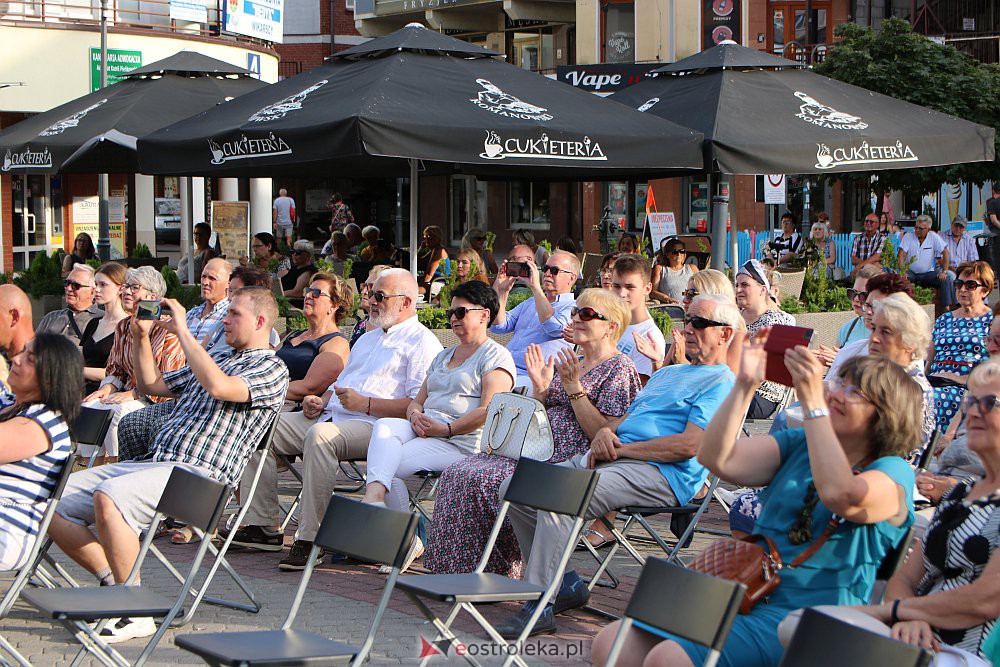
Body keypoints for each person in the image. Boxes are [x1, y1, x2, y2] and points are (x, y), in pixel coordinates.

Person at [593, 349, 921, 667]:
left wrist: (813, 405)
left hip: (810, 615)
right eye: (839, 382)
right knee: (611, 645)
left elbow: (841, 495)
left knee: (671, 659)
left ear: (885, 414)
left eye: (854, 391)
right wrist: (744, 386)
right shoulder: (801, 443)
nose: (836, 393)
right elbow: (717, 459)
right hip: (743, 588)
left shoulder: (893, 472)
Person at [49, 287, 288, 643]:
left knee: (112, 495)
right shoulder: (216, 360)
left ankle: (135, 611)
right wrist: (141, 338)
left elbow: (220, 388)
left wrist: (185, 334)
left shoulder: (271, 368)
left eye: (233, 313)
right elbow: (150, 383)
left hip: (201, 480)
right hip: (156, 465)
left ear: (260, 321)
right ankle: (117, 585)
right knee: (51, 496)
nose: (225, 318)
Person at [497, 294, 742, 638]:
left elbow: (691, 446)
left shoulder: (723, 382)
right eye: (687, 320)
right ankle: (564, 582)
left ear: (725, 334)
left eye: (698, 323)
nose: (687, 329)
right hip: (617, 459)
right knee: (516, 488)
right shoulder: (666, 374)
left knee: (561, 499)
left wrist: (624, 447)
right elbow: (626, 420)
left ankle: (538, 602)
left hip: (661, 472)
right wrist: (605, 435)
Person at [230, 269, 442, 570]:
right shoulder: (368, 339)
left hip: (378, 427)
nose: (371, 302)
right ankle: (261, 525)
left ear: (406, 302)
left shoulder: (422, 343)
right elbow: (339, 384)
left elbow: (417, 405)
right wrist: (320, 400)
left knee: (320, 438)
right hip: (334, 416)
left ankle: (311, 539)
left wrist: (366, 404)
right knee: (258, 424)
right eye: (371, 295)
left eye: (379, 296)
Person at [424, 289, 641, 578]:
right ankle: (454, 571)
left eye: (586, 314)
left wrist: (574, 388)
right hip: (535, 448)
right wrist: (541, 389)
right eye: (575, 311)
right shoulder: (575, 359)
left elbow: (603, 434)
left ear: (611, 326)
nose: (575, 318)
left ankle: (497, 571)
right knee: (459, 472)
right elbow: (544, 410)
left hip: (569, 458)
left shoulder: (620, 368)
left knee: (486, 480)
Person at [851, 358, 1000, 665]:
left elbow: (984, 600)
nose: (972, 412)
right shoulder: (962, 493)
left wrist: (897, 611)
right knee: (798, 627)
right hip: (917, 634)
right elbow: (905, 577)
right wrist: (908, 618)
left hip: (972, 652)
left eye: (990, 402)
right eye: (970, 400)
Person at [361, 281, 515, 570]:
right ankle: (378, 504)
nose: (453, 319)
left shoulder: (495, 356)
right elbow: (417, 401)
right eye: (451, 313)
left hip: (462, 442)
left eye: (460, 312)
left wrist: (446, 429)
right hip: (427, 430)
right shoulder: (444, 355)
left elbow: (489, 410)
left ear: (484, 314)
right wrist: (415, 415)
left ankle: (403, 538)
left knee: (388, 467)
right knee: (384, 428)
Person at [81, 267, 185, 462]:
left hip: (157, 399)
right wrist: (108, 387)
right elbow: (116, 368)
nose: (127, 292)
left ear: (152, 296)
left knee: (117, 413)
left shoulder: (168, 329)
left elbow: (169, 379)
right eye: (126, 286)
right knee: (89, 406)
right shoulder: (123, 325)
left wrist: (135, 393)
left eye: (134, 287)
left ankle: (115, 468)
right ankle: (89, 467)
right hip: (126, 393)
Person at [0, 334, 80, 571]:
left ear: (50, 378)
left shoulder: (41, 424)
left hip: (8, 530)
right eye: (22, 352)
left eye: (30, 359)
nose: (15, 359)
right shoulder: (18, 408)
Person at [490, 248, 578, 387]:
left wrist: (536, 287)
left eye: (554, 270)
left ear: (572, 278)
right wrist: (502, 291)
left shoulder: (575, 308)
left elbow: (553, 327)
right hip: (504, 368)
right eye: (546, 268)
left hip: (533, 378)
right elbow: (499, 326)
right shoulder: (531, 302)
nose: (548, 274)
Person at [928, 261, 995, 431]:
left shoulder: (992, 321)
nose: (962, 289)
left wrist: (959, 378)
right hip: (934, 382)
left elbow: (994, 367)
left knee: (928, 401)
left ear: (985, 290)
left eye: (970, 285)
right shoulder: (944, 320)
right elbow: (929, 360)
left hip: (965, 389)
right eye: (958, 284)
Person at [279, 273, 352, 403]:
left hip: (294, 407)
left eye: (316, 293)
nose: (308, 296)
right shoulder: (292, 335)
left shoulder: (336, 343)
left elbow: (309, 388)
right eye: (308, 291)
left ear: (334, 305)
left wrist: (261, 390)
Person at [736, 259, 795, 418]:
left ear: (762, 290)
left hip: (761, 395)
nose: (738, 289)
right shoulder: (736, 316)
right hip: (732, 385)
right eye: (737, 285)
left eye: (745, 285)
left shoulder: (779, 321)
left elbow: (758, 368)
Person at [609, 256, 666, 384]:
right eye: (616, 286)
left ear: (647, 289)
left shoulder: (649, 337)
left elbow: (637, 389)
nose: (622, 293)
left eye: (630, 287)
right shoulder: (612, 322)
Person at [81, 263, 129, 395]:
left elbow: (121, 374)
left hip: (106, 391)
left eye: (103, 285)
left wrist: (76, 370)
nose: (96, 289)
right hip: (78, 386)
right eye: (95, 284)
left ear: (121, 288)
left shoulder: (127, 326)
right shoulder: (94, 323)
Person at [36, 263, 101, 346]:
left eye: (76, 285)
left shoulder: (100, 320)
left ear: (92, 291)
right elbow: (32, 349)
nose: (69, 288)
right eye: (67, 283)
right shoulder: (51, 317)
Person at [898, 214, 954, 309]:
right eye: (916, 227)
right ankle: (903, 308)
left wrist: (944, 271)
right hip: (911, 273)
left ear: (928, 229)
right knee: (902, 280)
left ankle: (946, 308)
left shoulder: (933, 236)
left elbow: (945, 253)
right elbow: (901, 254)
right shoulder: (908, 236)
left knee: (946, 278)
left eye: (921, 228)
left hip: (928, 273)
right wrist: (903, 271)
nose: (917, 230)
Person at [185, 258, 233, 354]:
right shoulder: (192, 313)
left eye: (212, 278)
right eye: (203, 277)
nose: (205, 282)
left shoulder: (230, 315)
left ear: (229, 283)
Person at [838, 265, 883, 347]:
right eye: (853, 293)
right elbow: (833, 357)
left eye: (863, 295)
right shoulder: (848, 328)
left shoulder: (887, 332)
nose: (855, 299)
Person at [349, 265, 391, 347]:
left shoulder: (391, 328)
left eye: (370, 287)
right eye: (364, 286)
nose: (364, 291)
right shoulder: (360, 325)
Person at [651, 238, 698, 304]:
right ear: (667, 254)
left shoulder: (692, 268)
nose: (679, 254)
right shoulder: (660, 269)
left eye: (682, 251)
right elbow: (652, 292)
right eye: (675, 251)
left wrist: (686, 294)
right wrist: (666, 298)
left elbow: (701, 289)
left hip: (691, 308)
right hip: (670, 309)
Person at [417, 225, 449, 297]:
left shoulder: (439, 250)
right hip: (434, 280)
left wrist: (421, 285)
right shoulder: (433, 250)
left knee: (413, 290)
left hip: (439, 281)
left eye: (430, 238)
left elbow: (429, 274)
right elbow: (418, 262)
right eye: (425, 238)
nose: (427, 240)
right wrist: (421, 248)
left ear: (437, 239)